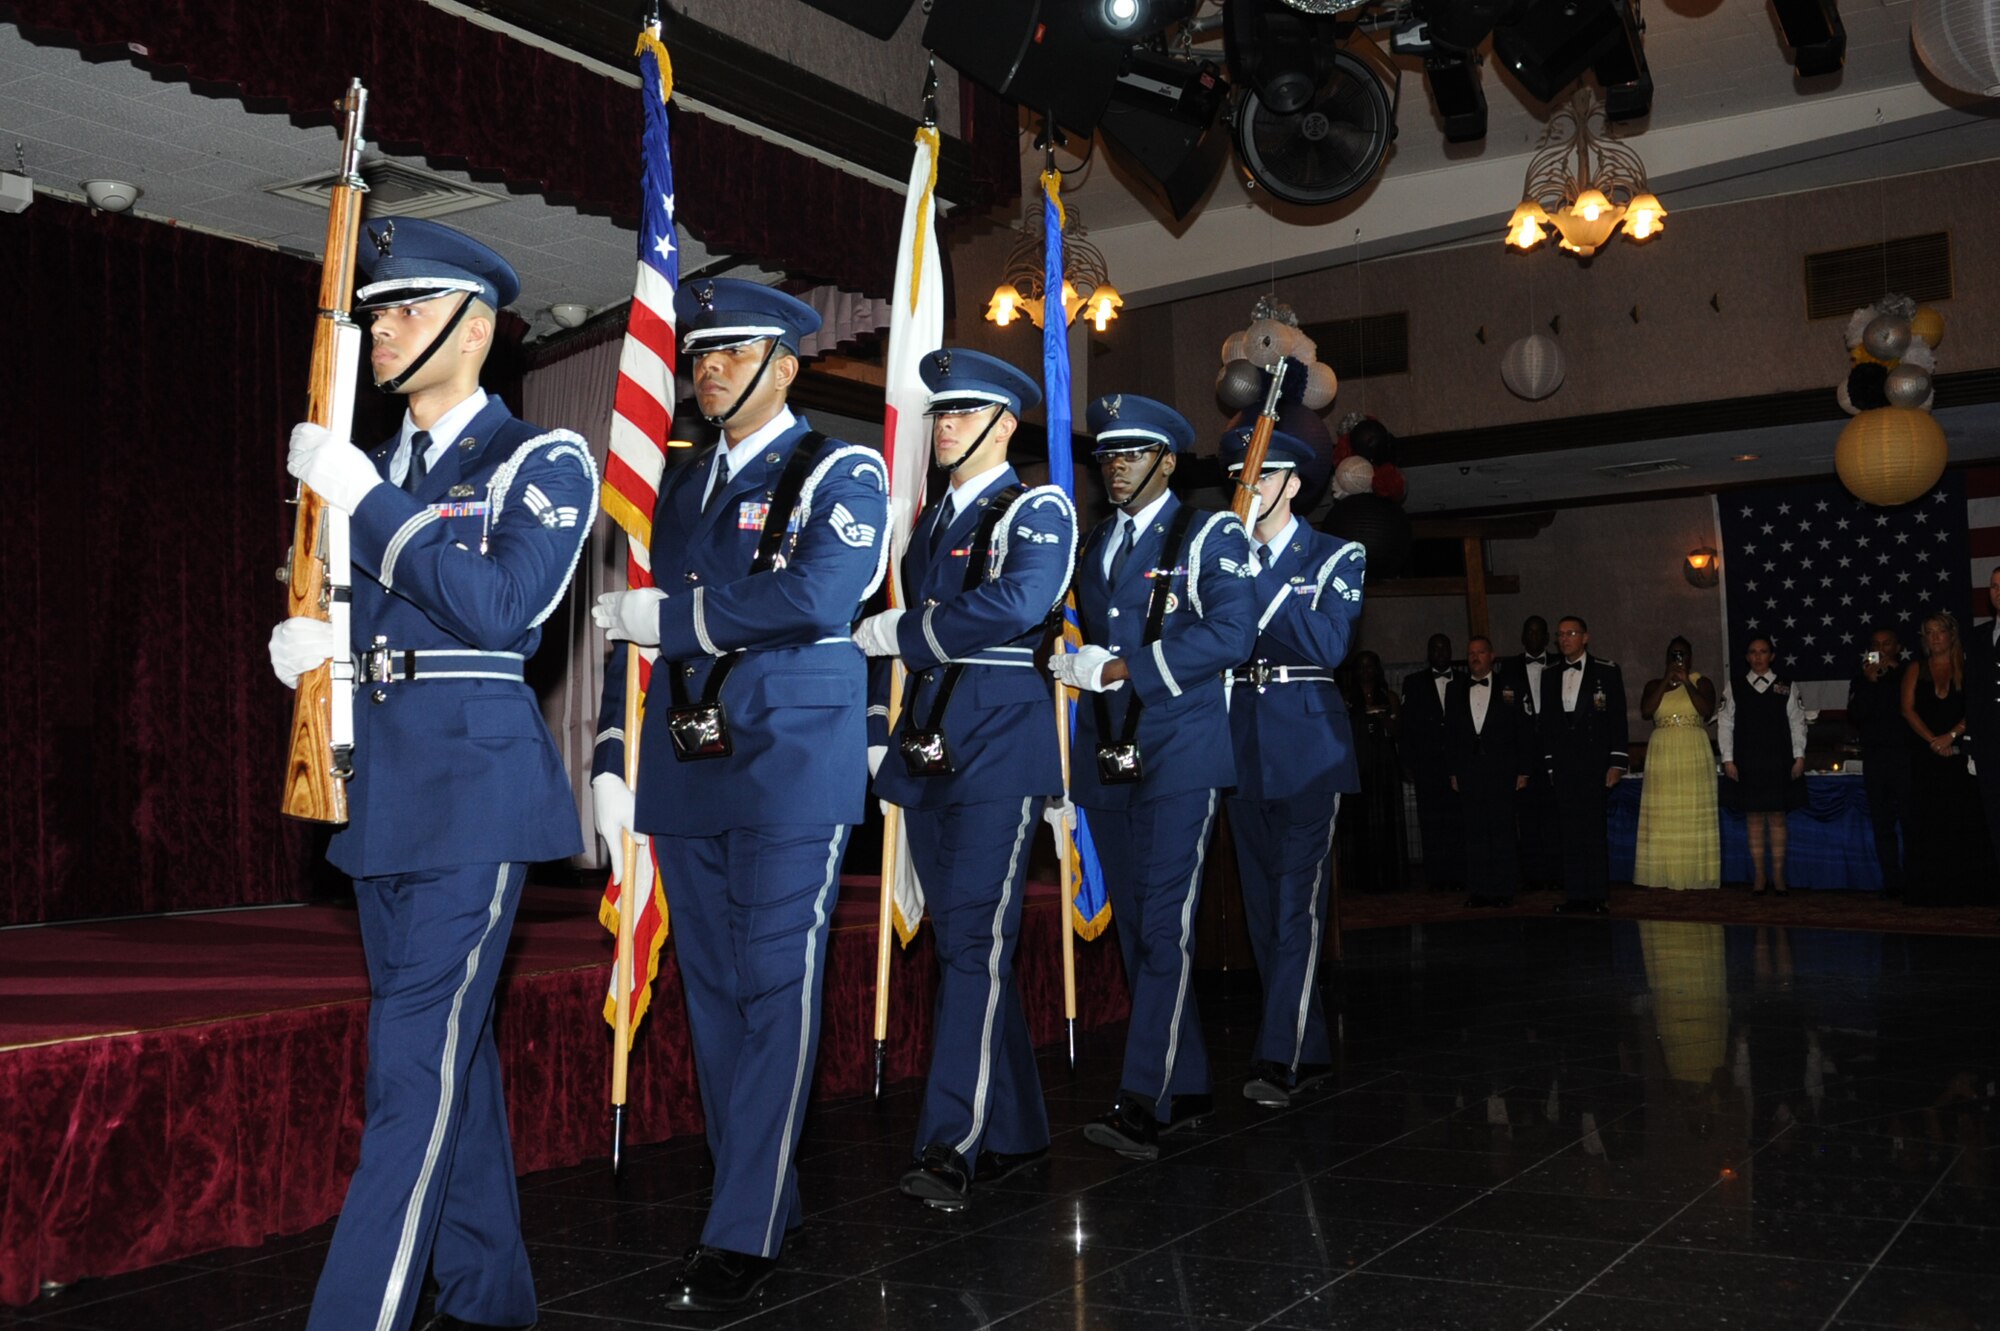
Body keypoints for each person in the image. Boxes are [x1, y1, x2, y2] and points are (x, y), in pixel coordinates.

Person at [267, 217, 596, 1331]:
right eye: (375, 309)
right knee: (452, 1060)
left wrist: (364, 501)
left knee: (410, 1065)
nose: (382, 326)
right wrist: (316, 648)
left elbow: (503, 606)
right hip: (376, 792)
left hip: (472, 791)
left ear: (479, 328)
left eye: (406, 307)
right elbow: (357, 608)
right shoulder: (379, 467)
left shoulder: (537, 460)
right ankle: (491, 1293)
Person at [589, 279, 888, 1310]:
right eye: (698, 354)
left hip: (793, 755)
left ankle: (744, 1221)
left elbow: (814, 593)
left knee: (774, 980)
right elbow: (651, 630)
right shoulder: (677, 485)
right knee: (711, 989)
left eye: (732, 352)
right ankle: (761, 1188)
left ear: (787, 363)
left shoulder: (839, 467)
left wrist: (671, 619)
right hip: (689, 755)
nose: (706, 369)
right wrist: (612, 757)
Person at [852, 349, 1073, 1210]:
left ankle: (952, 1140)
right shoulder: (932, 520)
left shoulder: (1034, 507)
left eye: (962, 414)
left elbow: (1020, 603)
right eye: (939, 414)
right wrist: (882, 731)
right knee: (963, 947)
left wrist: (906, 633)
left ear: (1002, 424)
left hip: (999, 750)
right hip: (932, 751)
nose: (943, 427)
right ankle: (1015, 1127)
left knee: (974, 944)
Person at [1051, 393, 1256, 1159]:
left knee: (1165, 924)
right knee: (1139, 929)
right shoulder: (1096, 544)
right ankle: (1189, 1079)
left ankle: (1144, 1097)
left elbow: (1233, 632)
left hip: (1180, 753)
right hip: (1111, 761)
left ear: (1167, 461)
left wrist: (1124, 667)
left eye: (1132, 454)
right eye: (1107, 455)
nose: (1115, 466)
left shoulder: (1209, 533)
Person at [1219, 427, 1366, 1109]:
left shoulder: (1337, 555)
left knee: (1296, 905)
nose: (1244, 488)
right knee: (1260, 906)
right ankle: (1303, 1042)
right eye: (1239, 475)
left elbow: (1329, 643)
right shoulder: (1222, 558)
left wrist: (1255, 575)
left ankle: (1280, 1053)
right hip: (1241, 742)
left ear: (1291, 484)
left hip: (1310, 746)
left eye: (1258, 475)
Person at [1901, 611, 1997, 905]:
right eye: (1928, 632)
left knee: (1964, 822)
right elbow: (1907, 709)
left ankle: (1969, 889)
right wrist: (1933, 740)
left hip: (1961, 755)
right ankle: (1931, 890)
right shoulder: (1917, 668)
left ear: (1951, 634)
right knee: (1928, 822)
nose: (1934, 637)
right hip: (1926, 757)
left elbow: (1980, 705)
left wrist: (1952, 736)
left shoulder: (1968, 665)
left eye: (1940, 631)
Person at [1539, 616, 1628, 914]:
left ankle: (1597, 894)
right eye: (1560, 634)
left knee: (1593, 830)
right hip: (1565, 765)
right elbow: (1548, 725)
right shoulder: (1549, 674)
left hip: (1595, 763)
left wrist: (1616, 763)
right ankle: (1576, 894)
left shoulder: (1606, 671)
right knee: (1570, 832)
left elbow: (1617, 720)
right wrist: (1550, 764)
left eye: (1571, 633)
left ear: (1585, 637)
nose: (1564, 639)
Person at [1445, 635, 1535, 907]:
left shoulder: (1513, 685)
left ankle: (1504, 888)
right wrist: (1452, 771)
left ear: (1492, 656)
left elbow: (1524, 730)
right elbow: (1450, 734)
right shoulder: (1454, 688)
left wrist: (1524, 770)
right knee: (1474, 832)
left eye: (1481, 652)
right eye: (1471, 652)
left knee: (1503, 830)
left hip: (1503, 770)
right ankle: (1479, 890)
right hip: (1470, 771)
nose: (1475, 657)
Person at [1717, 636, 1807, 895]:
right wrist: (1728, 759)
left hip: (1779, 759)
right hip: (1747, 760)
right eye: (1753, 652)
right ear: (1746, 657)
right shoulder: (1735, 687)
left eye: (1763, 651)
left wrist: (1799, 756)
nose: (1758, 657)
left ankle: (1778, 876)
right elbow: (1725, 724)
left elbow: (1797, 722)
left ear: (1772, 655)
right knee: (1754, 818)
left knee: (1778, 817)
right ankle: (1759, 876)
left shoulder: (1786, 686)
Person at [1633, 636, 1720, 891]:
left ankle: (1694, 873)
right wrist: (1666, 681)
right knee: (1664, 812)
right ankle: (1663, 872)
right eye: (1673, 654)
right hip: (1663, 752)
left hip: (1693, 749)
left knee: (1692, 811)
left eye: (1682, 654)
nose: (1678, 658)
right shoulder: (1653, 684)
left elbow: (1705, 710)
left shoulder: (1701, 682)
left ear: (1690, 658)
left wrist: (1686, 683)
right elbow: (1647, 711)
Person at [1497, 616, 1561, 890]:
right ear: (1523, 637)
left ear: (1548, 638)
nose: (1534, 636)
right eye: (1529, 632)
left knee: (1554, 815)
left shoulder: (1560, 663)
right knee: (1526, 817)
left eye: (1539, 632)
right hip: (1522, 754)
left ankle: (1556, 873)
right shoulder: (1508, 668)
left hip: (1553, 751)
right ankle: (1532, 875)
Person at [1847, 626, 1911, 896]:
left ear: (1897, 647)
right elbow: (1856, 715)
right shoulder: (1862, 679)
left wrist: (1894, 671)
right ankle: (1892, 881)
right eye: (1876, 644)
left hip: (1906, 758)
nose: (1881, 649)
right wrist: (1869, 683)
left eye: (1887, 644)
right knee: (1882, 822)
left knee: (1911, 819)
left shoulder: (1909, 673)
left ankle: (1916, 876)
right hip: (1875, 758)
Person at [1339, 651, 1409, 894]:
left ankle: (1390, 878)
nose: (1366, 671)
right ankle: (1360, 880)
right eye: (1362, 666)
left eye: (1370, 666)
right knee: (1359, 822)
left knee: (1386, 821)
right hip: (1359, 766)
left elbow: (1399, 731)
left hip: (1384, 766)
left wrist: (1383, 717)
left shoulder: (1389, 697)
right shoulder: (1346, 698)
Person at [1400, 633, 1465, 892]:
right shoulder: (1413, 683)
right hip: (1427, 765)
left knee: (1457, 820)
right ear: (1429, 653)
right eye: (1435, 648)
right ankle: (1436, 877)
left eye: (1444, 647)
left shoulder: (1464, 679)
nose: (1440, 652)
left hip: (1458, 765)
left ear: (1450, 650)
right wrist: (1407, 761)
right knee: (1431, 821)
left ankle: (1460, 873)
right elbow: (1406, 727)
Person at [1963, 567, 2000, 875]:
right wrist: (1972, 744)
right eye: (1994, 586)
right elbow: (1973, 694)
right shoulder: (1978, 637)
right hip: (1990, 746)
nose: (1998, 591)